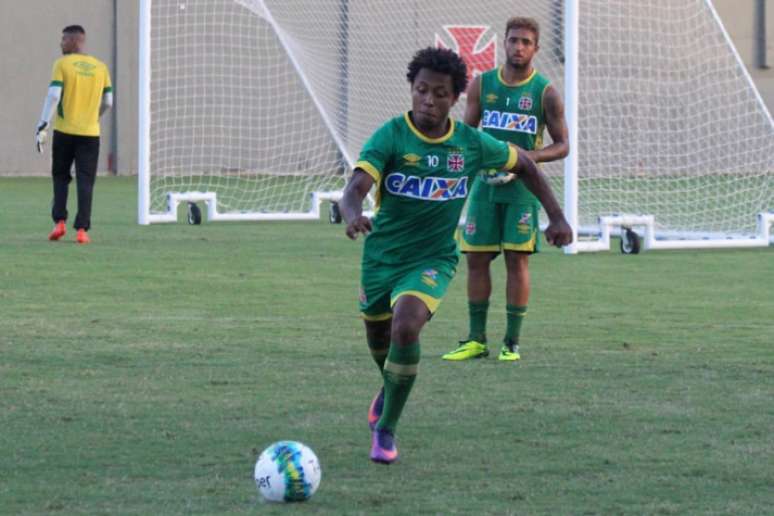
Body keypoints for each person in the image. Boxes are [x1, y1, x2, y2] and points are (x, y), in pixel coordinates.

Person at [339, 46, 572, 464]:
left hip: (431, 259)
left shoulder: (471, 143)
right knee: (379, 340)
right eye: (422, 90)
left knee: (406, 329)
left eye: (440, 93)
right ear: (411, 90)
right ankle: (388, 389)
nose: (429, 100)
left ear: (455, 98)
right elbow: (354, 188)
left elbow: (526, 165)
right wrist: (353, 215)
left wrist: (555, 217)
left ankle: (387, 429)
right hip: (381, 259)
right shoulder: (390, 135)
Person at [442, 17, 569, 363]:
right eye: (513, 40)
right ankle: (475, 339)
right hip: (485, 187)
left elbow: (563, 146)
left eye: (526, 42)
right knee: (476, 260)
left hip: (523, 190)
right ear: (505, 43)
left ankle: (511, 342)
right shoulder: (483, 85)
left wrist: (527, 157)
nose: (518, 47)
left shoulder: (545, 92)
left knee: (517, 261)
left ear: (536, 48)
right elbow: (467, 134)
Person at [36, 25, 113, 244]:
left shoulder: (61, 64)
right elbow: (109, 101)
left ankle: (59, 222)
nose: (61, 43)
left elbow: (53, 96)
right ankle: (82, 230)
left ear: (75, 41)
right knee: (86, 180)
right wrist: (94, 117)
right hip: (90, 133)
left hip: (64, 131)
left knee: (61, 177)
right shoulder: (101, 67)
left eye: (63, 39)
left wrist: (43, 124)